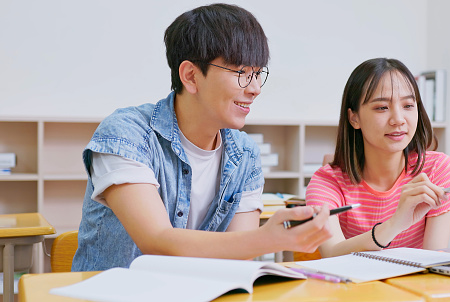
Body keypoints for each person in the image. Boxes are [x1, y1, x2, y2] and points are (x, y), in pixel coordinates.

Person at [72, 3, 331, 271]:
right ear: (191, 76)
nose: (255, 89)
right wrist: (266, 240)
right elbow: (157, 240)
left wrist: (266, 240)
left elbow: (238, 258)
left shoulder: (245, 155)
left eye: (257, 74)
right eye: (242, 73)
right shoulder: (126, 135)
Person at [305, 58, 450, 258]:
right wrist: (395, 224)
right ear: (354, 118)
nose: (398, 119)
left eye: (408, 105)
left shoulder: (437, 169)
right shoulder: (327, 182)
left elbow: (433, 260)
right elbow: (332, 253)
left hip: (416, 286)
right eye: (382, 108)